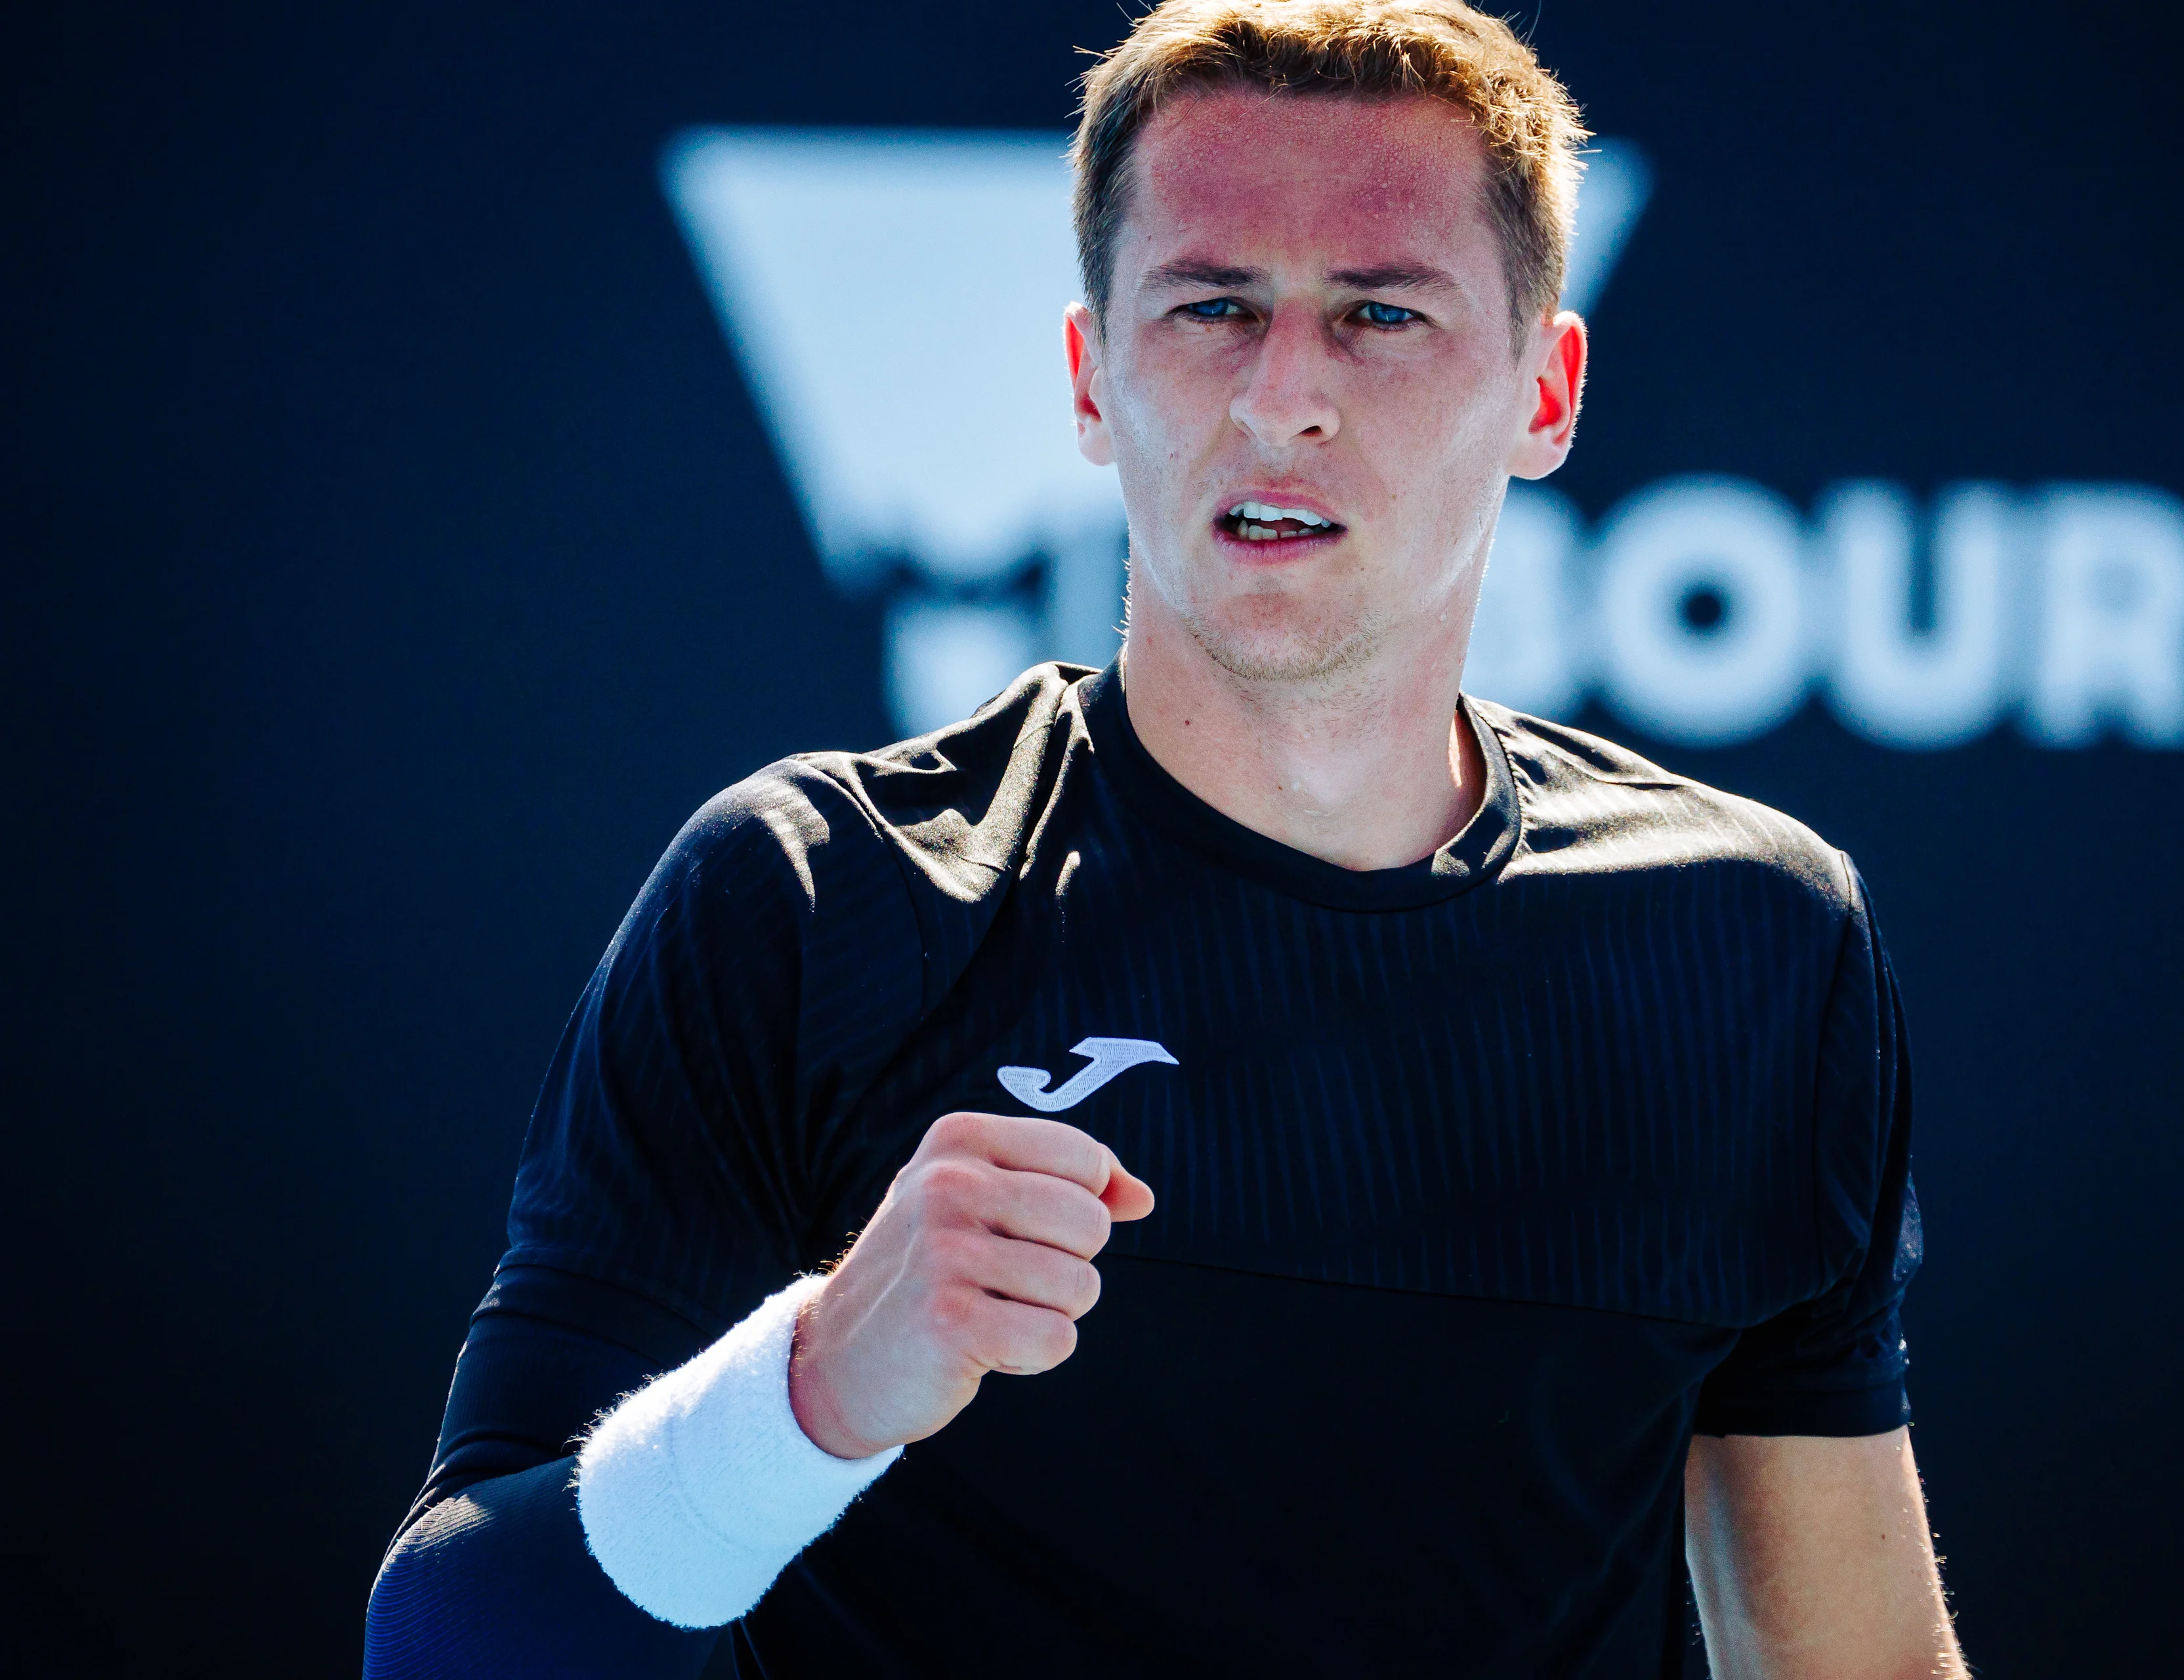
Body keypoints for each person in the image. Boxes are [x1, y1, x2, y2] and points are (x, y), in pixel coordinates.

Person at [365, 1, 1968, 1673]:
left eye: (1380, 315)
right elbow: (455, 1640)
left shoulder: (1760, 944)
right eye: (1214, 306)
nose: (1285, 399)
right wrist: (817, 1385)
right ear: (1090, 374)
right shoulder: (818, 897)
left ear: (1546, 391)